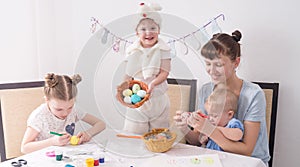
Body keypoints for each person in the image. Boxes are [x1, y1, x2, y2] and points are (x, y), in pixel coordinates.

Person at [174, 30, 270, 165]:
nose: (211, 71)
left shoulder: (253, 94)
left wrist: (210, 129)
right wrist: (184, 128)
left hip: (248, 162)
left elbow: (247, 150)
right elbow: (198, 140)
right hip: (214, 159)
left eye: (218, 65)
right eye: (208, 64)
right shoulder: (206, 90)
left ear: (236, 63)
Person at [21, 73, 106, 154]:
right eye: (59, 109)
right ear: (47, 100)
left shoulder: (74, 110)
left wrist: (88, 133)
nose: (65, 113)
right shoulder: (39, 116)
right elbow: (24, 148)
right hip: (44, 158)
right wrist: (52, 142)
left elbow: (101, 124)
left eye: (70, 107)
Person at [121, 2, 171, 134]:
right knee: (134, 131)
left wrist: (153, 83)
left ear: (159, 30)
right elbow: (128, 73)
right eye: (143, 29)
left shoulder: (163, 49)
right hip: (137, 96)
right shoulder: (133, 50)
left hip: (157, 97)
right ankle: (135, 152)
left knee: (158, 133)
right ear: (136, 32)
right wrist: (123, 87)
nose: (148, 32)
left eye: (153, 28)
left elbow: (164, 72)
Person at [194, 84, 244, 151]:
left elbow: (238, 135)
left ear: (229, 115)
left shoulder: (232, 123)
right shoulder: (212, 124)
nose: (210, 118)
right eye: (209, 115)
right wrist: (204, 140)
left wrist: (214, 129)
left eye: (214, 116)